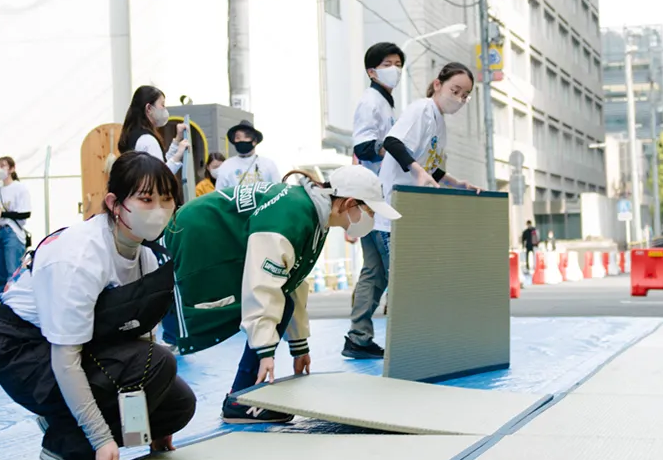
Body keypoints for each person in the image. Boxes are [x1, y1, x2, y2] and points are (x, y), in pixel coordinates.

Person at [0, 152, 196, 460]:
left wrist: (148, 424)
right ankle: (69, 445)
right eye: (146, 199)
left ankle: (67, 415)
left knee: (177, 404)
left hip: (88, 347)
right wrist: (101, 439)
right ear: (114, 204)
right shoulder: (79, 256)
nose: (159, 209)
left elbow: (139, 340)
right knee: (159, 362)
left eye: (166, 199)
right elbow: (65, 357)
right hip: (27, 352)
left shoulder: (146, 256)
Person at [170, 166, 399, 423]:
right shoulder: (292, 215)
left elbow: (293, 282)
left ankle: (243, 395)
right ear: (348, 203)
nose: (371, 218)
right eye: (368, 211)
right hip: (195, 241)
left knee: (282, 303)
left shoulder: (313, 215)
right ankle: (243, 398)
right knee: (178, 326)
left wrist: (299, 346)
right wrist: (264, 351)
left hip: (207, 240)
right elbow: (264, 285)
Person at [344, 40, 405, 358]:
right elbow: (364, 147)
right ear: (372, 70)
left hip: (372, 197)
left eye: (398, 64)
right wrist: (395, 148)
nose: (395, 69)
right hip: (376, 199)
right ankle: (403, 337)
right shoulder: (371, 102)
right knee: (396, 269)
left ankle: (358, 336)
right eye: (388, 64)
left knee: (374, 271)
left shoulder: (385, 102)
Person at [379, 62, 477, 210]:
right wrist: (418, 172)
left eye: (464, 96)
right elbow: (392, 142)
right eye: (455, 91)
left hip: (409, 206)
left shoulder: (440, 124)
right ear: (438, 85)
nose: (458, 99)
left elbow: (429, 168)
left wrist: (456, 183)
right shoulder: (422, 109)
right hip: (390, 207)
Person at [117, 84, 185, 168]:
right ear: (149, 108)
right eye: (162, 105)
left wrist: (177, 141)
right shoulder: (147, 140)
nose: (165, 109)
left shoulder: (134, 134)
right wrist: (178, 156)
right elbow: (159, 177)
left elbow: (161, 163)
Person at [0, 155, 33, 292]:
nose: (0, 169)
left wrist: (3, 214)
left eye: (3, 166)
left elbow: (26, 213)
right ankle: (2, 307)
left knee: (12, 272)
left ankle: (14, 306)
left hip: (12, 232)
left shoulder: (19, 188)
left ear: (12, 168)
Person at [213, 121, 279, 191]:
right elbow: (219, 194)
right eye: (238, 137)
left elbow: (278, 190)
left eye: (246, 137)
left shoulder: (268, 164)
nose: (241, 140)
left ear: (254, 141)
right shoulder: (226, 166)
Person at [520, 219, 540, 283]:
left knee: (534, 257)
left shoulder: (533, 230)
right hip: (528, 246)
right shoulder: (526, 231)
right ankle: (528, 266)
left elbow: (536, 238)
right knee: (527, 257)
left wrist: (537, 245)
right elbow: (523, 239)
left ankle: (534, 266)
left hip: (533, 246)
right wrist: (523, 246)